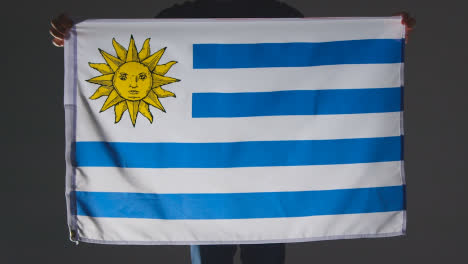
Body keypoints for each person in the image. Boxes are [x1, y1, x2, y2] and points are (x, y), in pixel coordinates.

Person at [49, 1, 415, 263]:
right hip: (201, 183)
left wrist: (386, 37)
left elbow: (324, 60)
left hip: (265, 180)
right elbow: (126, 57)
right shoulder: (176, 18)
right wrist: (75, 39)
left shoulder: (282, 15)